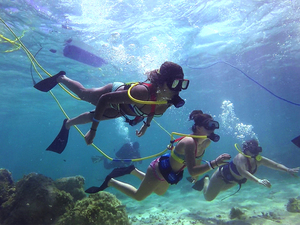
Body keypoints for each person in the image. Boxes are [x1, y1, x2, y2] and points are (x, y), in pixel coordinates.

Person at [34, 61, 189, 153]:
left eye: (182, 84)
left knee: (94, 116)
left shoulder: (169, 100)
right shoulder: (142, 92)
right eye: (175, 84)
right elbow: (104, 99)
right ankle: (61, 77)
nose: (178, 89)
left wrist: (146, 125)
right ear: (161, 82)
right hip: (112, 93)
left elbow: (153, 109)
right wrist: (93, 131)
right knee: (83, 95)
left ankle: (67, 124)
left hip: (123, 109)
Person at [85, 110, 231, 201]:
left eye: (213, 126)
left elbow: (197, 161)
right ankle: (111, 181)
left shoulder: (205, 143)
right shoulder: (189, 142)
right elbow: (192, 169)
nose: (212, 130)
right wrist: (215, 163)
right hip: (158, 170)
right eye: (209, 126)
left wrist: (196, 177)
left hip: (169, 173)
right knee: (139, 196)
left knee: (160, 192)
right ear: (198, 128)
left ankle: (133, 171)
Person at [197, 139, 299, 201]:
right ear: (246, 149)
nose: (255, 153)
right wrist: (258, 181)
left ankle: (209, 182)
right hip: (221, 177)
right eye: (253, 150)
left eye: (256, 150)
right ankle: (206, 179)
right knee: (208, 198)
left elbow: (275, 165)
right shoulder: (240, 158)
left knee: (221, 190)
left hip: (234, 181)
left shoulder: (258, 159)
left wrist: (287, 169)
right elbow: (243, 172)